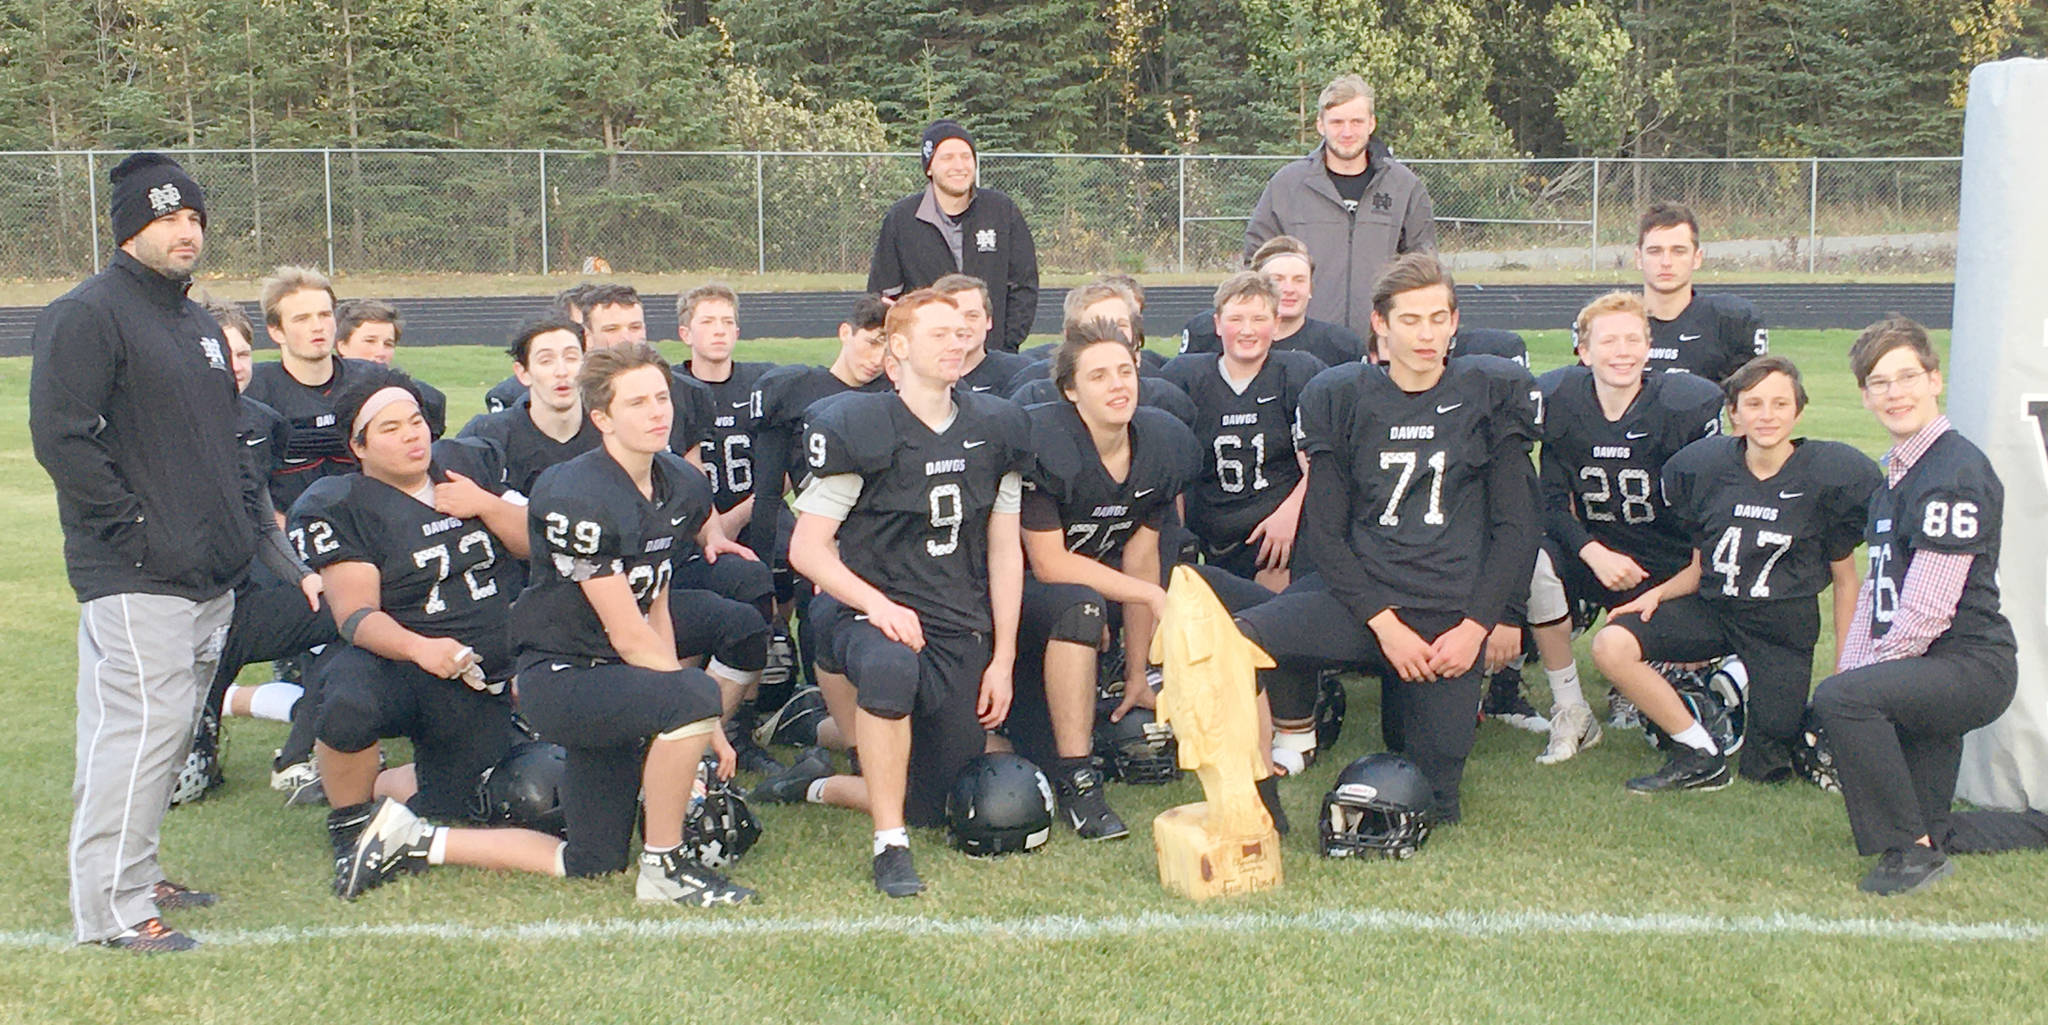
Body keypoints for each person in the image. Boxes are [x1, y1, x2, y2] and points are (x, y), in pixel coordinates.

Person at [335, 343, 756, 907]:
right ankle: (665, 868)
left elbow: (653, 605)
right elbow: (626, 635)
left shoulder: (681, 482)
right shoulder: (574, 494)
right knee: (693, 695)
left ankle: (412, 841)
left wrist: (684, 700)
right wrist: (700, 716)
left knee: (591, 860)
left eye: (662, 397)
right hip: (563, 677)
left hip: (613, 676)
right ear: (601, 418)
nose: (658, 412)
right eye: (637, 403)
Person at [30, 152, 315, 951]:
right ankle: (111, 913)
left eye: (192, 216)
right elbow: (63, 439)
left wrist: (231, 538)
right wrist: (136, 533)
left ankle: (140, 873)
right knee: (136, 732)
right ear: (129, 228)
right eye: (166, 217)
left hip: (206, 572)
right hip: (137, 573)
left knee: (162, 732)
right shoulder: (87, 313)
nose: (184, 230)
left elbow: (225, 443)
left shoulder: (195, 322)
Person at [1222, 253, 1539, 822]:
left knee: (1434, 798)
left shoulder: (1491, 392)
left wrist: (1476, 628)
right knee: (1235, 645)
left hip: (1449, 615)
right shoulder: (1341, 394)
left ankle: (1406, 711)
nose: (1426, 333)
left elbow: (1516, 528)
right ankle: (1258, 803)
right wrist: (1384, 626)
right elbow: (1326, 531)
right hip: (1362, 602)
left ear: (1454, 322)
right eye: (1411, 319)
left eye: (1438, 318)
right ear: (1381, 323)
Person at [780, 289, 1031, 897]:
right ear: (899, 347)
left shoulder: (996, 425)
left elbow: (1004, 548)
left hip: (954, 620)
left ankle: (816, 783)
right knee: (891, 671)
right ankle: (889, 845)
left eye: (962, 330)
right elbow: (807, 550)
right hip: (867, 612)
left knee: (933, 800)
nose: (957, 341)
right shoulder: (858, 424)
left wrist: (1002, 657)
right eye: (939, 332)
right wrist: (879, 605)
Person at [288, 369, 532, 891]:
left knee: (460, 802)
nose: (412, 435)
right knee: (349, 702)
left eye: (416, 421)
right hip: (398, 665)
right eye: (391, 428)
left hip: (477, 674)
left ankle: (370, 783)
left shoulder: (468, 465)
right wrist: (420, 648)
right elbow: (355, 615)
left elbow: (536, 547)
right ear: (359, 446)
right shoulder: (338, 503)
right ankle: (350, 827)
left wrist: (486, 506)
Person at [1591, 355, 1880, 792]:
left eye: (1780, 404)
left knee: (1768, 764)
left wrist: (1845, 665)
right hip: (1714, 610)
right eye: (1755, 403)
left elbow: (1845, 580)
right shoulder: (1705, 468)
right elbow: (1699, 567)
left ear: (1798, 411)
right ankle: (1698, 753)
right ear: (1734, 413)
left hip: (1781, 627)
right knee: (1612, 644)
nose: (1767, 415)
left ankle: (1730, 685)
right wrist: (1656, 596)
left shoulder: (1830, 475)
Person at [1811, 317, 2017, 895]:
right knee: (1937, 823)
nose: (1894, 393)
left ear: (1934, 380)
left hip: (1968, 663)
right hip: (1934, 663)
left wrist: (1857, 686)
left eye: (1906, 377)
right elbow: (1882, 595)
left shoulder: (1953, 470)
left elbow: (1926, 610)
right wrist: (1854, 668)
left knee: (1842, 700)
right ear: (1864, 395)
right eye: (1879, 382)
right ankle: (1936, 837)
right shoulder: (1895, 476)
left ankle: (1911, 854)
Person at [1007, 317, 1199, 840]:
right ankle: (1078, 778)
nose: (1118, 384)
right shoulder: (1045, 442)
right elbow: (1048, 564)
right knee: (1081, 603)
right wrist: (1147, 594)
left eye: (1124, 371)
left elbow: (1141, 560)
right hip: (1007, 600)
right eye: (1098, 376)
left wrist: (1138, 672)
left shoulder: (1159, 444)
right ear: (1070, 391)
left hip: (1090, 591)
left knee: (1188, 590)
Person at [1528, 292, 1724, 763]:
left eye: (1632, 339)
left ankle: (1673, 667)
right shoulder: (1561, 400)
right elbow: (1552, 504)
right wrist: (1592, 551)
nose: (1622, 351)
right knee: (1534, 564)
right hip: (1596, 554)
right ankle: (1571, 707)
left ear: (1648, 347)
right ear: (1584, 351)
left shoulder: (1682, 406)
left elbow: (1707, 513)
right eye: (1608, 340)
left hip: (1667, 565)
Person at [1156, 273, 1323, 589]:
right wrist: (1176, 532)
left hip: (1276, 534)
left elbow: (1319, 464)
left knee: (1268, 611)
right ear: (1218, 324)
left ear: (1276, 324)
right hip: (1211, 530)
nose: (1247, 330)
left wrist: (1290, 516)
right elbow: (1166, 466)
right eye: (1236, 319)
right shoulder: (1186, 378)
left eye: (1259, 318)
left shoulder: (1297, 373)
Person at [1242, 74, 1437, 337]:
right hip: (1304, 343)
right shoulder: (1287, 185)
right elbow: (1256, 263)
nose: (1347, 132)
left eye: (1356, 121)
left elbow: (1424, 271)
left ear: (1371, 123)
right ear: (1320, 125)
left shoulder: (1404, 187)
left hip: (1380, 344)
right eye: (1337, 122)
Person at [868, 119, 1040, 352]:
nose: (959, 166)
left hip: (991, 357)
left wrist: (1005, 344)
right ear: (929, 167)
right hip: (926, 358)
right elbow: (884, 294)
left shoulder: (1001, 210)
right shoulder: (902, 219)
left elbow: (1024, 283)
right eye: (947, 158)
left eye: (966, 156)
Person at [243, 266, 384, 512]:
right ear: (276, 331)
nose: (317, 326)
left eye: (324, 315)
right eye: (302, 318)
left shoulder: (371, 381)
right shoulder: (255, 391)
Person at [1178, 236, 1367, 367]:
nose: (1289, 289)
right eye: (1277, 279)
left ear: (1311, 287)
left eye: (1299, 280)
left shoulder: (1341, 345)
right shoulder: (1207, 331)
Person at [1633, 203, 1768, 381]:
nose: (1666, 262)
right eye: (1655, 251)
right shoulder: (1612, 323)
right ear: (1638, 258)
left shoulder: (1729, 322)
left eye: (1678, 251)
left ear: (1697, 258)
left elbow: (1755, 398)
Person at [333, 297, 448, 434]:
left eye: (388, 344)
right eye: (370, 341)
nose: (380, 352)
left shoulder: (426, 399)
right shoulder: (319, 398)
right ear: (342, 346)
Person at [932, 274, 1034, 394]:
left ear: (988, 321)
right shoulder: (916, 377)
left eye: (972, 316)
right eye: (951, 316)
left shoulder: (1020, 373)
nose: (962, 325)